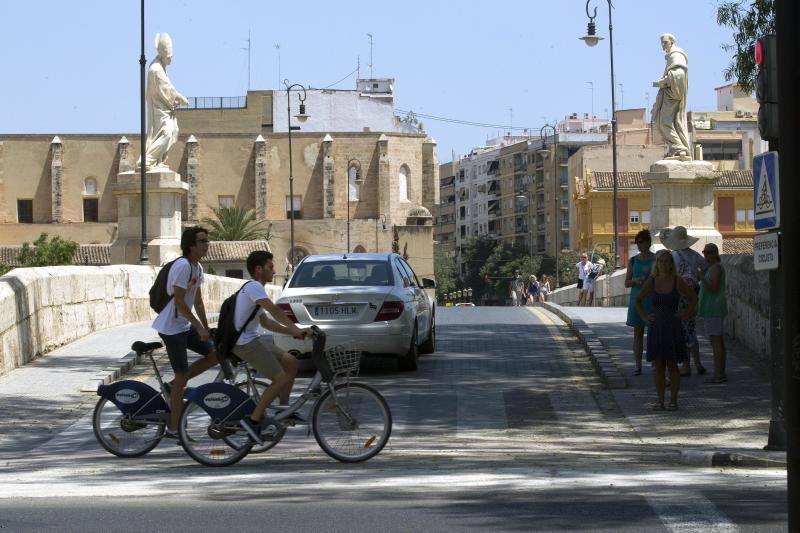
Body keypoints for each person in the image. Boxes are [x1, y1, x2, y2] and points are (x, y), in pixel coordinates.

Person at [233, 251, 311, 444]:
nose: (274, 270)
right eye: (270, 267)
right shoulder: (253, 287)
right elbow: (274, 311)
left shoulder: (256, 289)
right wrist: (295, 328)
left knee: (291, 363)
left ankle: (284, 410)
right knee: (280, 378)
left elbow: (266, 323)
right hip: (244, 343)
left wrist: (294, 332)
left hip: (253, 340)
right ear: (258, 270)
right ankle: (253, 421)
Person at [153, 226, 219, 439]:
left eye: (207, 240)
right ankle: (173, 429)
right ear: (191, 245)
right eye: (202, 241)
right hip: (171, 327)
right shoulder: (182, 266)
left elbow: (198, 301)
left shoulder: (197, 267)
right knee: (182, 376)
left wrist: (206, 328)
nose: (206, 244)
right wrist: (198, 327)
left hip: (183, 325)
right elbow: (180, 302)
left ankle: (174, 386)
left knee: (214, 354)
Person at [636, 250, 698, 411]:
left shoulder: (677, 281)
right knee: (658, 365)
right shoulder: (652, 280)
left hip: (672, 325)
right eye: (661, 261)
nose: (664, 264)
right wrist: (644, 316)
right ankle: (660, 400)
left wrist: (685, 315)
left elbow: (693, 298)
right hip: (656, 326)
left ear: (671, 264)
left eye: (666, 261)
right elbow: (638, 300)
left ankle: (673, 400)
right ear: (657, 263)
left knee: (672, 364)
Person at [660, 225, 707, 376]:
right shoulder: (695, 255)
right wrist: (696, 278)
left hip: (679, 294)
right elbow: (705, 267)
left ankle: (686, 365)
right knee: (691, 327)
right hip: (693, 292)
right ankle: (698, 363)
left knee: (682, 329)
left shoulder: (673, 256)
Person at [138, 33, 190, 170]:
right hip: (159, 109)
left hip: (163, 108)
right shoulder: (156, 69)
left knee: (172, 131)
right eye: (170, 57)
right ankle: (147, 161)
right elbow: (167, 89)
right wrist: (180, 98)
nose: (171, 59)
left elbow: (167, 87)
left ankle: (158, 160)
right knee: (166, 133)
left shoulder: (160, 66)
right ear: (164, 55)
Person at [652, 33, 690, 160]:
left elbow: (679, 74)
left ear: (672, 42)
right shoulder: (671, 56)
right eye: (662, 43)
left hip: (672, 94)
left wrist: (665, 81)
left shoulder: (676, 55)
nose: (663, 45)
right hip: (669, 93)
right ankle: (675, 148)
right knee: (665, 121)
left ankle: (680, 148)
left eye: (665, 42)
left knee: (664, 122)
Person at [625, 230, 655, 376]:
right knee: (638, 333)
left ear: (649, 243)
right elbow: (626, 283)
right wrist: (635, 281)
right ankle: (638, 365)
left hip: (652, 298)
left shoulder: (657, 259)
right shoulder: (633, 261)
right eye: (637, 242)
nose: (639, 245)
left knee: (654, 332)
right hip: (637, 298)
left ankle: (656, 363)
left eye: (642, 241)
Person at [697, 243, 728, 384]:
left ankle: (719, 373)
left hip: (713, 308)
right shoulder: (713, 267)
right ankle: (720, 372)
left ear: (715, 253)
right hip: (712, 308)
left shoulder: (715, 268)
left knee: (716, 342)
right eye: (705, 253)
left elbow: (714, 287)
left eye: (709, 253)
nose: (706, 255)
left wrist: (702, 277)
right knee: (717, 341)